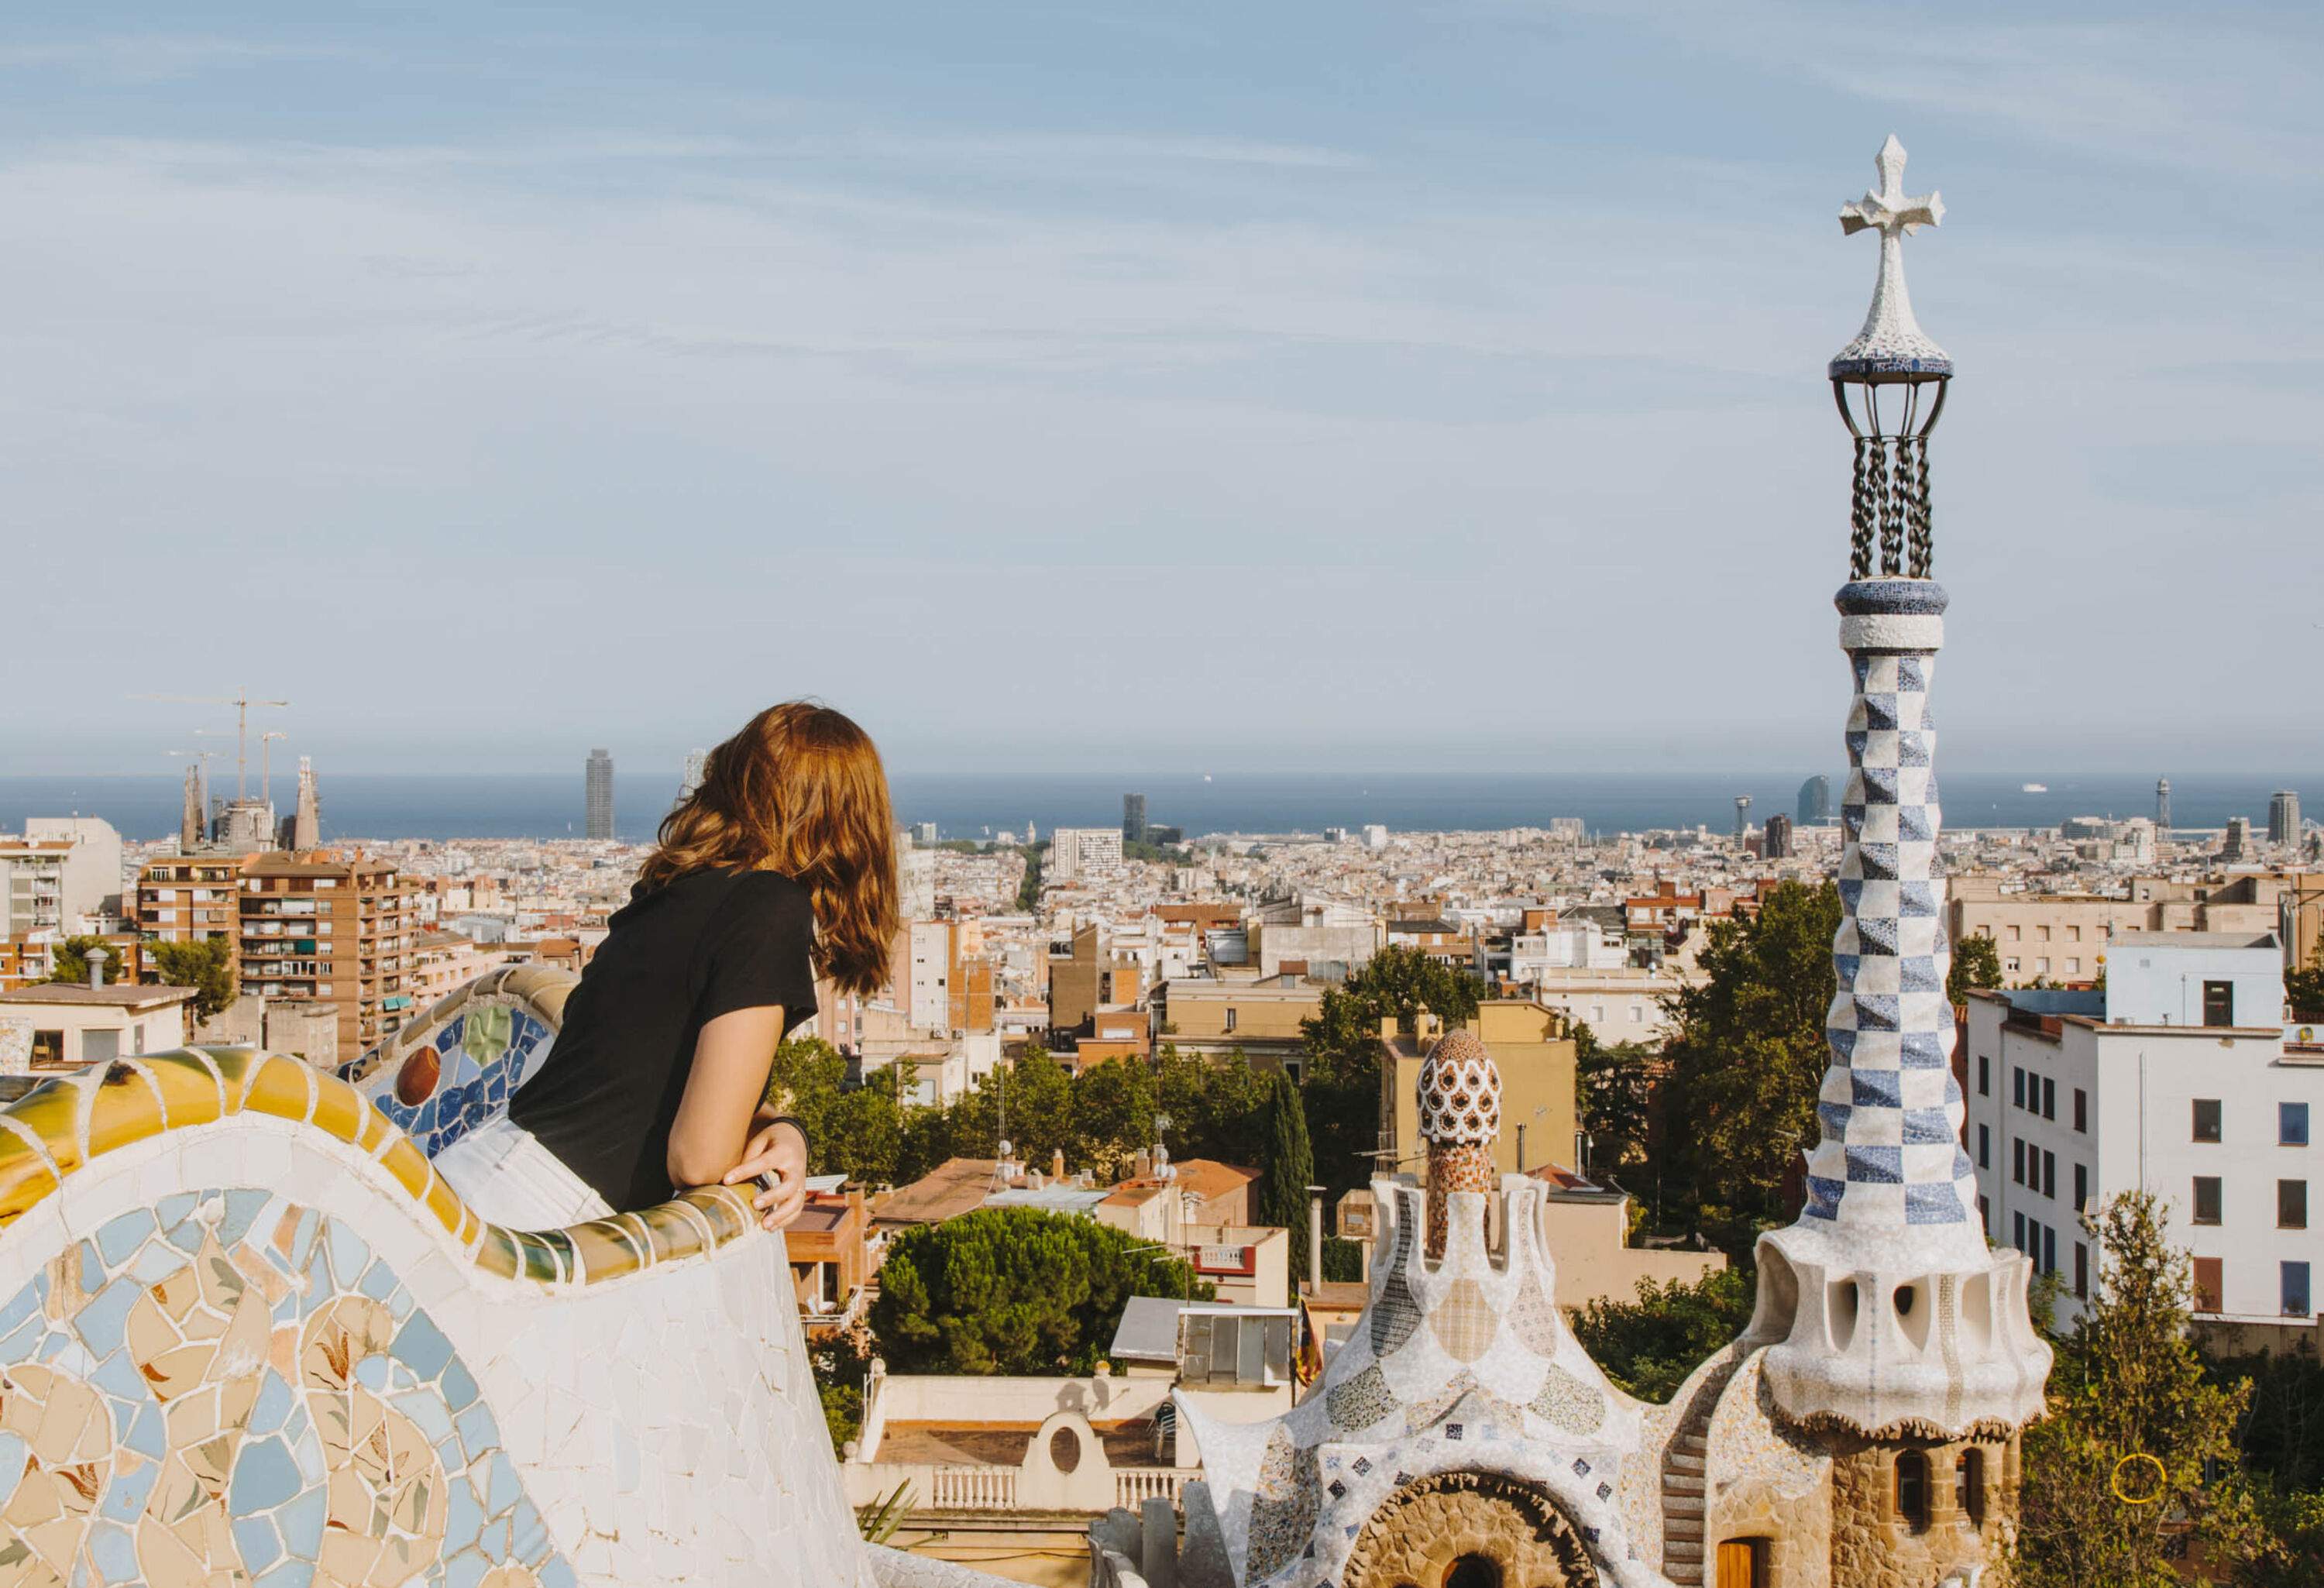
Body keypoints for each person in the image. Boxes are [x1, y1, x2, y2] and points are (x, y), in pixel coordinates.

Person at [434, 703, 899, 1234]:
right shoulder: (769, 908)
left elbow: (659, 1075)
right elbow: (697, 1160)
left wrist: (784, 1127)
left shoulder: (679, 886)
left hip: (488, 1177)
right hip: (542, 1214)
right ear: (850, 823)